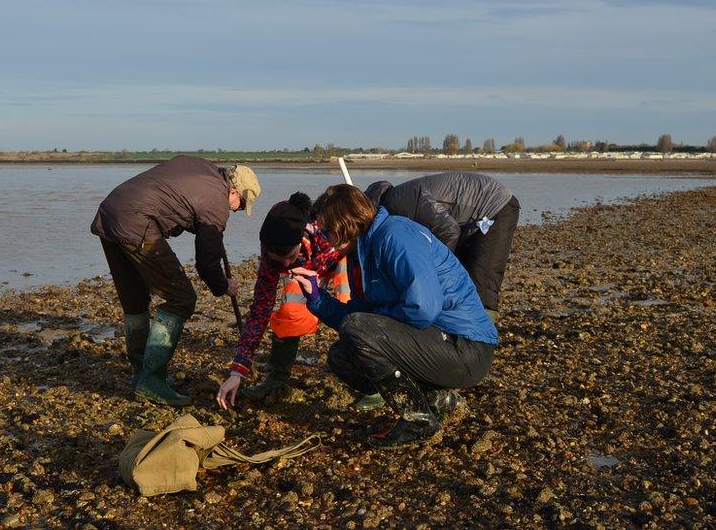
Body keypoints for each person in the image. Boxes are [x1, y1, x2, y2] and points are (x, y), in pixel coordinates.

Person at [292, 184, 498, 448]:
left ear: (344, 224)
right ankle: (437, 400)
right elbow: (361, 320)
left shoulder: (396, 236)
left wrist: (377, 317)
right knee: (342, 355)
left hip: (466, 347)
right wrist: (318, 300)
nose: (324, 237)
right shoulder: (363, 251)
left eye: (326, 230)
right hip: (438, 342)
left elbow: (423, 308)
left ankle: (418, 420)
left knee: (357, 329)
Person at [91, 155, 260, 406]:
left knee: (135, 298)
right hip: (137, 220)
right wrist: (223, 285)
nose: (235, 210)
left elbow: (178, 202)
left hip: (110, 212)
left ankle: (141, 374)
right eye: (240, 203)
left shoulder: (204, 169)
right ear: (233, 190)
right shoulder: (216, 203)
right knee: (182, 299)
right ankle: (151, 379)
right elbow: (206, 264)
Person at [215, 192, 352, 410]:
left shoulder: (324, 228)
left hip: (345, 255)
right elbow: (260, 309)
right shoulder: (272, 251)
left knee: (352, 313)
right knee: (290, 313)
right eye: (280, 260)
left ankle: (369, 383)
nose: (286, 263)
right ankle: (277, 379)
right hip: (308, 267)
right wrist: (237, 370)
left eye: (290, 256)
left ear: (300, 240)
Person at [365, 172, 519, 321]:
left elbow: (449, 231)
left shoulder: (397, 202)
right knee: (462, 275)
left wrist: (434, 269)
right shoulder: (395, 201)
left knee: (483, 278)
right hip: (470, 217)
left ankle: (484, 333)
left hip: (496, 206)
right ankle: (460, 323)